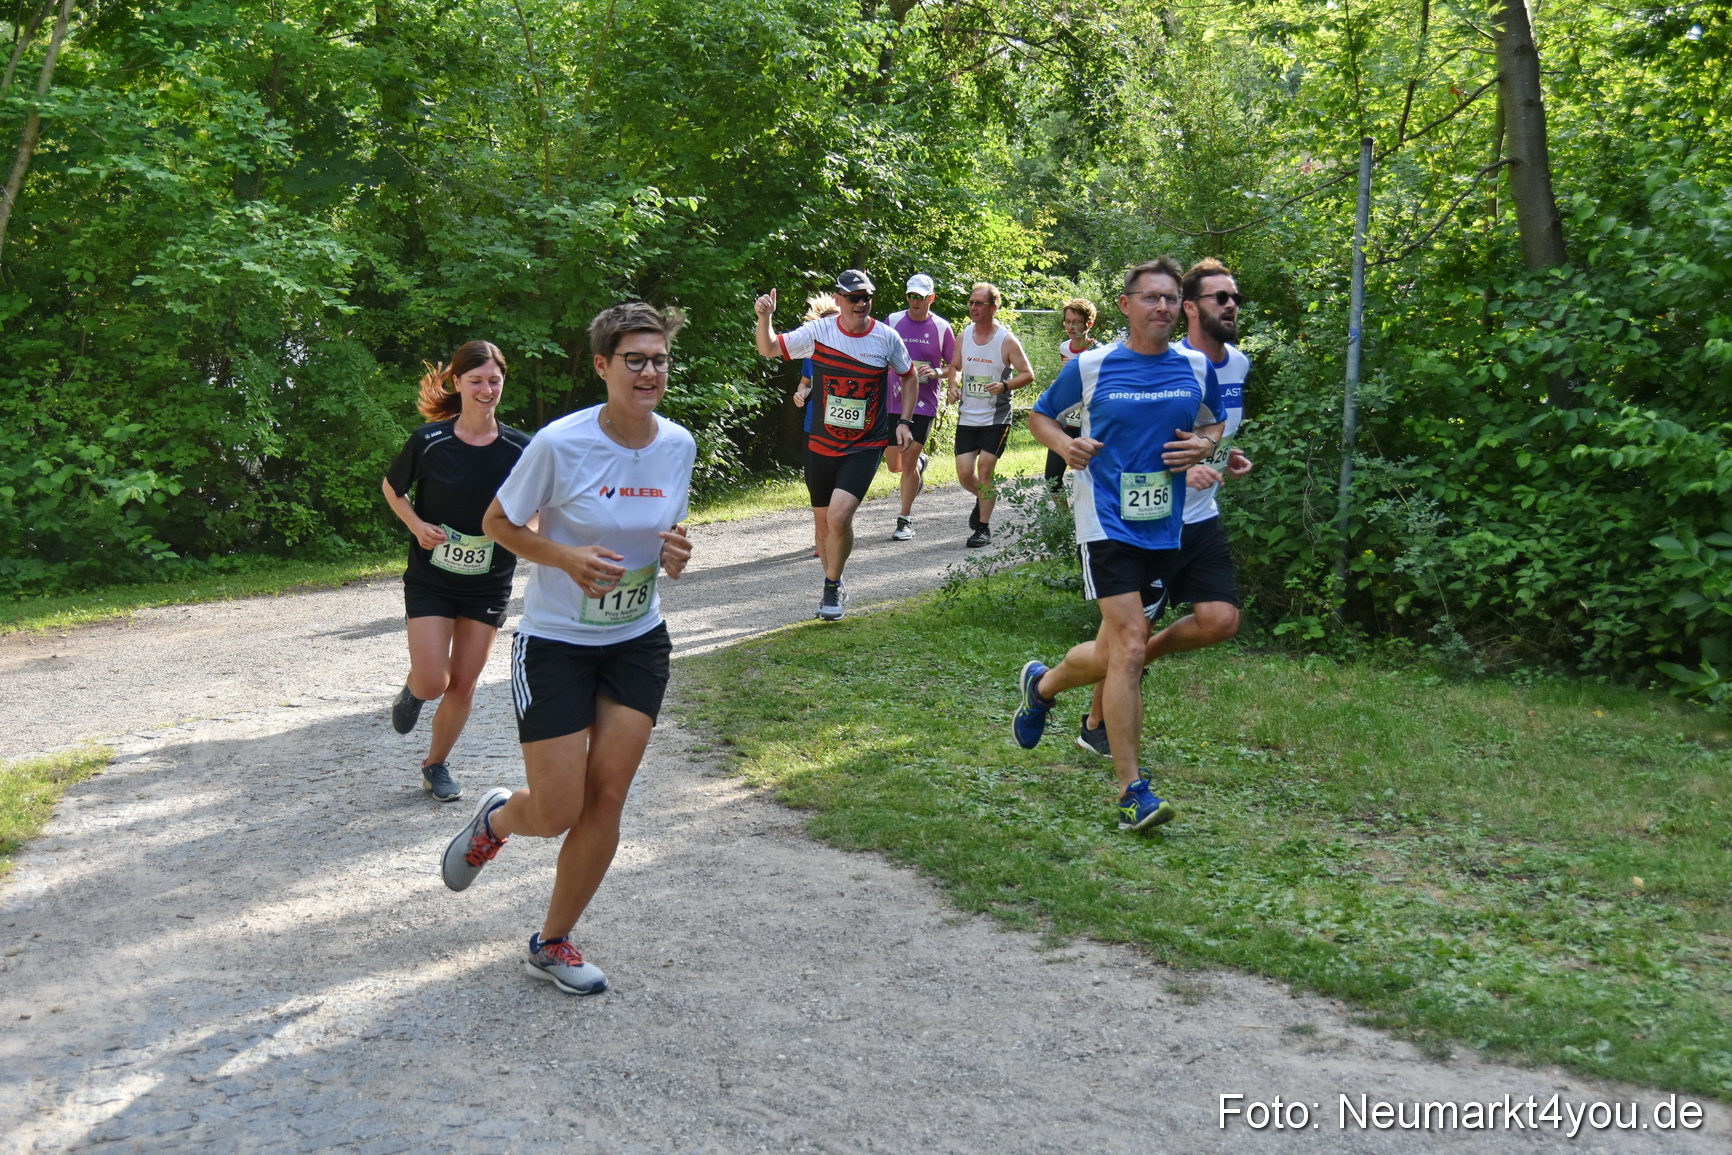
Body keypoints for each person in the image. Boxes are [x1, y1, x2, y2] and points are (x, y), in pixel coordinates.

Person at [440, 302, 696, 997]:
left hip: (638, 639)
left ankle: (551, 941)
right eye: (635, 359)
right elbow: (497, 523)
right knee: (556, 809)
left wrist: (673, 551)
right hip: (557, 643)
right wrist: (566, 556)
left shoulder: (678, 444)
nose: (650, 372)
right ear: (602, 366)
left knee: (607, 794)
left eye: (659, 360)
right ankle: (497, 817)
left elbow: (661, 531)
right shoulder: (560, 444)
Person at [1012, 257, 1226, 831]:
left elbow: (1212, 423)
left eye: (1169, 298)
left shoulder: (1195, 366)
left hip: (1164, 523)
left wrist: (1204, 448)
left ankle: (1043, 685)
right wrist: (1065, 446)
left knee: (1113, 653)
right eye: (1149, 297)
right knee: (1132, 647)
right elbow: (1039, 415)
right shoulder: (1090, 366)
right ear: (1127, 304)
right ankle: (1133, 790)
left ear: (1181, 308)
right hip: (1105, 520)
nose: (1160, 307)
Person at [1076, 259, 1254, 758]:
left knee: (1216, 621)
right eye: (1220, 298)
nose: (1232, 305)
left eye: (1234, 297)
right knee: (1126, 638)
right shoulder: (1152, 361)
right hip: (1142, 517)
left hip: (1200, 516)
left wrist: (1221, 454)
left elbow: (1213, 427)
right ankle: (1095, 722)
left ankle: (1122, 673)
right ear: (1191, 308)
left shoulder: (1234, 364)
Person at [381, 340, 531, 803]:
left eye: (494, 380)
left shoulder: (520, 448)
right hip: (432, 576)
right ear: (458, 384)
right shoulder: (430, 441)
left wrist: (542, 540)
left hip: (489, 580)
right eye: (476, 381)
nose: (487, 389)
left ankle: (435, 764)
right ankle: (412, 691)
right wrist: (417, 524)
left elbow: (538, 509)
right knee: (433, 680)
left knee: (463, 682)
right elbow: (393, 487)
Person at [755, 270, 917, 620]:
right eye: (854, 297)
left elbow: (909, 375)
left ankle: (830, 591)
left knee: (841, 516)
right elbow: (768, 348)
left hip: (866, 444)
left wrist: (904, 422)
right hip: (821, 443)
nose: (861, 303)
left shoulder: (886, 338)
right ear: (839, 299)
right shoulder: (818, 333)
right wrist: (764, 317)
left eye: (866, 297)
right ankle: (836, 582)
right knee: (825, 525)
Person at [946, 282, 1034, 548]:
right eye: (971, 302)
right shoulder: (964, 335)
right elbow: (955, 366)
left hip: (996, 417)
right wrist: (953, 385)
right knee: (964, 474)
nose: (973, 307)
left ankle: (982, 528)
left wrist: (1005, 385)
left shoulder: (1006, 340)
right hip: (968, 416)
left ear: (994, 307)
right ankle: (984, 498)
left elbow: (1028, 374)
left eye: (979, 303)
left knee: (985, 469)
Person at [883, 273, 955, 541]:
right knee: (894, 465)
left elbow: (955, 366)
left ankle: (904, 519)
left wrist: (936, 371)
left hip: (923, 405)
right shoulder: (892, 321)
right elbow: (877, 353)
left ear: (931, 298)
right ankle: (919, 466)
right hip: (893, 401)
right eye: (911, 296)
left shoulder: (941, 328)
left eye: (920, 297)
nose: (915, 301)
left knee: (909, 460)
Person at [791, 294, 843, 561]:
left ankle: (830, 536)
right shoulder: (812, 350)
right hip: (814, 425)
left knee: (839, 485)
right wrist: (801, 393)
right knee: (815, 483)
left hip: (844, 428)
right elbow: (805, 382)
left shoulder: (855, 350)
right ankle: (824, 533)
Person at [1044, 298, 1100, 511]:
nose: (1071, 327)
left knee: (1089, 475)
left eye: (1077, 322)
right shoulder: (1064, 348)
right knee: (1052, 476)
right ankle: (1064, 519)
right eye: (1068, 322)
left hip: (1091, 422)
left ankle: (1092, 517)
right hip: (1067, 419)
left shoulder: (1097, 352)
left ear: (1089, 324)